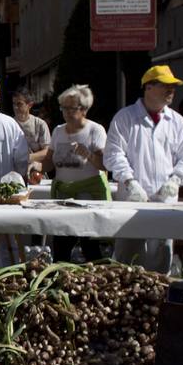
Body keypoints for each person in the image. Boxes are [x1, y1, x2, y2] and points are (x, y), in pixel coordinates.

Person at [104, 65, 183, 272]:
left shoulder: (177, 121)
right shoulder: (125, 118)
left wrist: (176, 179)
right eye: (165, 85)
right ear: (148, 87)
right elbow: (113, 154)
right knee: (127, 263)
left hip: (165, 202)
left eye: (173, 86)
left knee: (161, 261)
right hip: (131, 202)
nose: (171, 90)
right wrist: (129, 181)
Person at [48, 85, 109, 263]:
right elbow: (49, 160)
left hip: (88, 197)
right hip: (63, 197)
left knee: (90, 247)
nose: (66, 112)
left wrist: (88, 154)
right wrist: (35, 166)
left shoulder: (95, 130)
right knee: (60, 246)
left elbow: (104, 164)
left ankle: (96, 283)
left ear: (84, 109)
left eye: (71, 108)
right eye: (63, 108)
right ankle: (60, 282)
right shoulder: (58, 131)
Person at [9, 88, 52, 165]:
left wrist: (27, 158)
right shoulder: (8, 124)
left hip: (36, 171)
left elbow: (47, 151)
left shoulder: (39, 124)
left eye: (19, 104)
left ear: (30, 105)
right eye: (13, 104)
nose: (15, 107)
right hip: (13, 172)